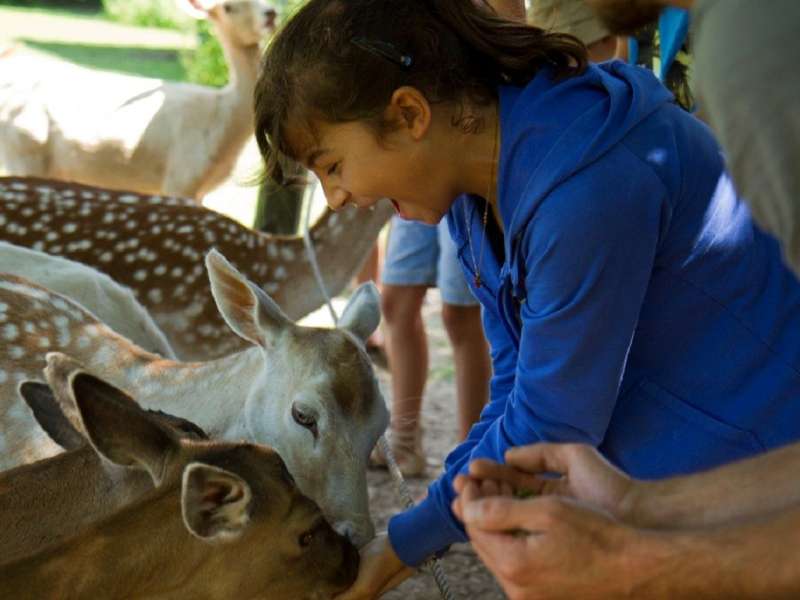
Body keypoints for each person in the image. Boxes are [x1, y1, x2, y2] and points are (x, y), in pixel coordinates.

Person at [251, 0, 800, 596]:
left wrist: (402, 546)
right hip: (679, 477)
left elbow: (553, 421)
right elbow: (516, 383)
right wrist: (418, 532)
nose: (336, 197)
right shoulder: (471, 196)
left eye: (333, 165)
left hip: (761, 474)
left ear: (409, 113)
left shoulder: (585, 188)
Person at [372, 216, 492, 476]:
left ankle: (470, 461)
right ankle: (404, 443)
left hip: (459, 192)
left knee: (461, 313)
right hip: (409, 186)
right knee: (395, 301)